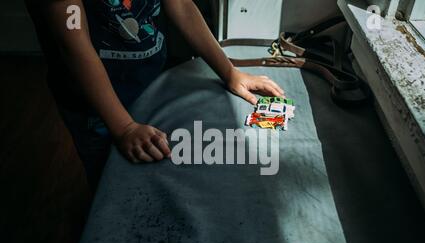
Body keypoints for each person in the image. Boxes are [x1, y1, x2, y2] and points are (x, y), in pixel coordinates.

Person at [27, 0, 284, 189]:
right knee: (110, 181)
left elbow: (181, 5)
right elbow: (74, 47)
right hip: (96, 109)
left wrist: (229, 72)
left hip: (149, 85)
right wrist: (125, 127)